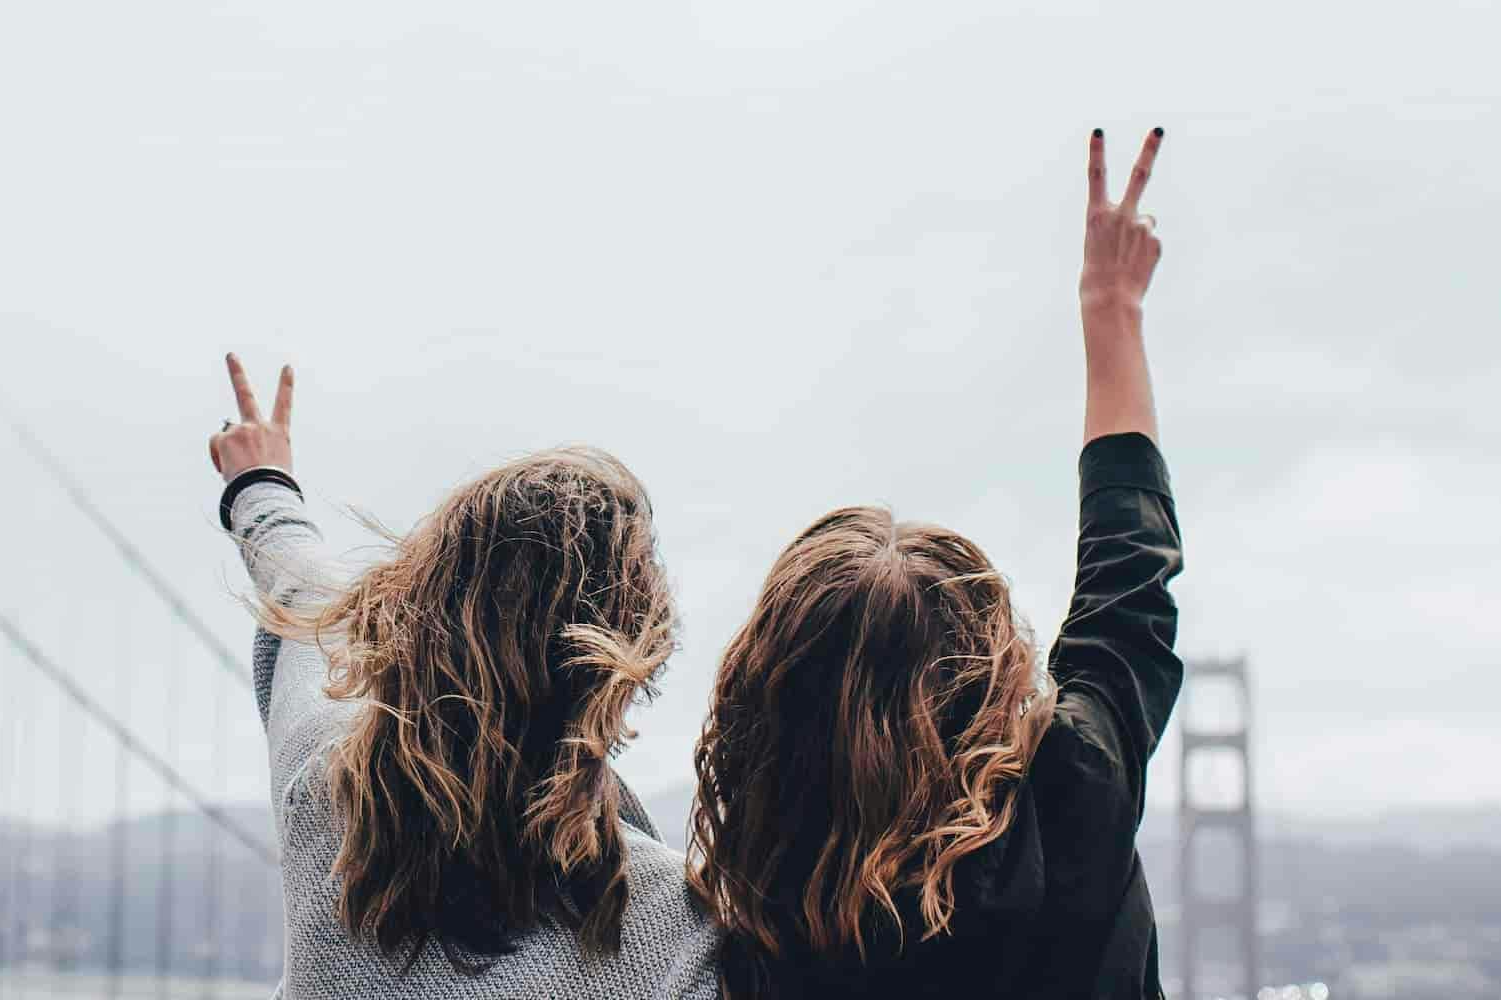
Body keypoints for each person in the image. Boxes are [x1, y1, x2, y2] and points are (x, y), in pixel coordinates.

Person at [685, 128, 1187, 998]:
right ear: (989, 664)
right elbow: (1129, 568)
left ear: (769, 695)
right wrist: (1112, 306)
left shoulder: (759, 896)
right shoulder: (1075, 787)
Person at [205, 356, 720, 998]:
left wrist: (259, 482)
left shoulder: (322, 790)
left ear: (414, 610)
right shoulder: (682, 936)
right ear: (624, 665)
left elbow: (304, 591)